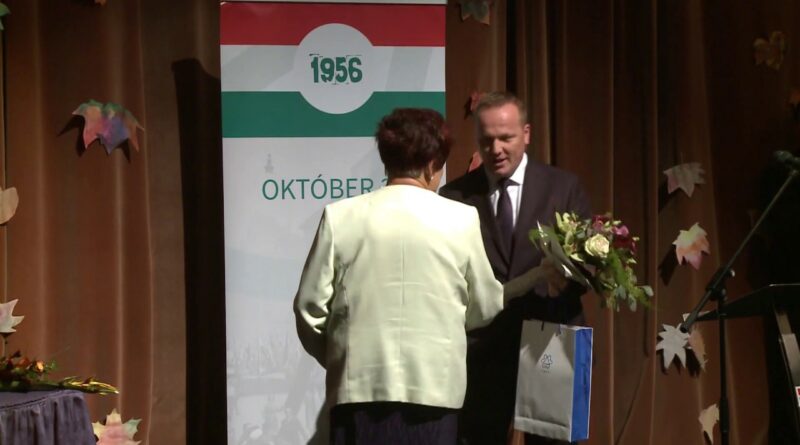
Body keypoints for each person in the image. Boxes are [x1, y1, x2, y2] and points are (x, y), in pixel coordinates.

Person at [293, 108, 564, 445]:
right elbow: (483, 306)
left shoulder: (340, 217)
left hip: (357, 393)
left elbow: (308, 309)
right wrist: (534, 276)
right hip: (435, 393)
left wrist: (341, 358)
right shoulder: (461, 219)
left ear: (386, 159)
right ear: (433, 164)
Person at [440, 92, 591, 445]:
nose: (495, 149)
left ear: (526, 133)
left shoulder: (563, 187)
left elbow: (589, 267)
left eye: (505, 138)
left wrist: (566, 277)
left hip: (553, 335)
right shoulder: (453, 196)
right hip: (481, 346)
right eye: (486, 140)